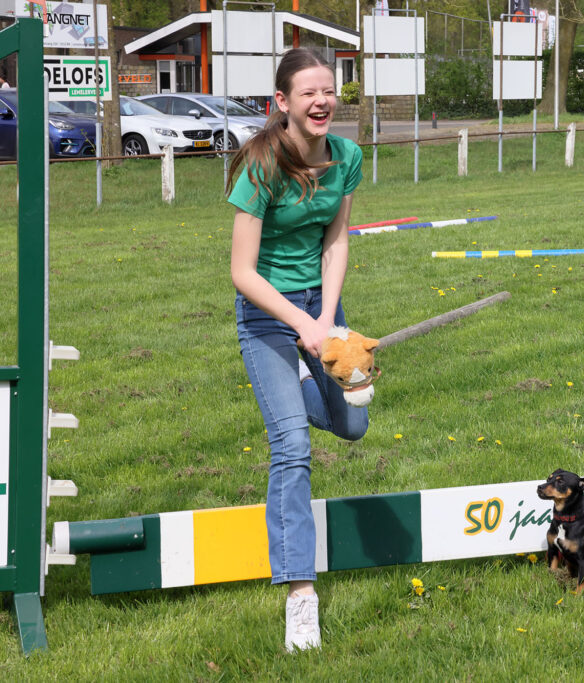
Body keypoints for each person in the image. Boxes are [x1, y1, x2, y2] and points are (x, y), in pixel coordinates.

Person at [226, 48, 368, 653]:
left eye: (329, 91)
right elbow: (242, 271)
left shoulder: (347, 158)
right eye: (309, 92)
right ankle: (300, 597)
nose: (322, 101)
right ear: (282, 103)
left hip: (320, 306)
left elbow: (336, 241)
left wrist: (329, 322)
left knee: (353, 421)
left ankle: (304, 388)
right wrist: (300, 325)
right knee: (292, 445)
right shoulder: (260, 165)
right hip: (265, 314)